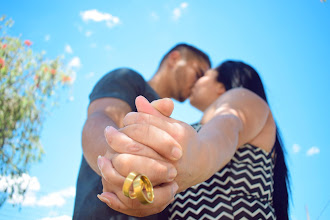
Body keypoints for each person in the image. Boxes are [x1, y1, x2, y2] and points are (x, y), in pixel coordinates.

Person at [97, 60, 290, 219]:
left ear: (221, 86)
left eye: (203, 76)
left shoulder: (243, 99)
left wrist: (194, 155)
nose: (195, 83)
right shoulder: (196, 127)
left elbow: (227, 129)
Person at [72, 43, 211, 219]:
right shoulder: (128, 78)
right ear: (175, 59)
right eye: (198, 73)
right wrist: (117, 169)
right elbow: (98, 121)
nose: (199, 83)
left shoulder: (172, 121)